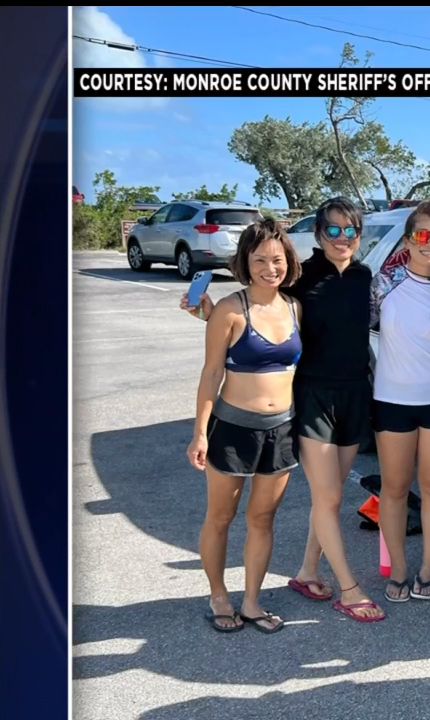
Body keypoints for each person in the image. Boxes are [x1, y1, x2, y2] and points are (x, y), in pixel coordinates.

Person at [183, 197, 385, 622]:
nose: (342, 238)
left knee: (275, 513)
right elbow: (242, 327)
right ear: (317, 234)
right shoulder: (300, 282)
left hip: (325, 406)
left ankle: (293, 579)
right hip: (285, 407)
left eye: (350, 230)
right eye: (333, 229)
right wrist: (209, 314)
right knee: (236, 513)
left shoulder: (360, 278)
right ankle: (341, 590)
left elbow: (272, 323)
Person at [187, 219, 303, 634]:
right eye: (260, 260)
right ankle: (219, 595)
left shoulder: (294, 306)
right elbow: (211, 372)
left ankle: (252, 602)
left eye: (277, 260)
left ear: (289, 261)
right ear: (245, 263)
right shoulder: (230, 309)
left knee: (263, 519)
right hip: (233, 427)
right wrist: (200, 432)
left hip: (282, 429)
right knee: (221, 516)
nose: (270, 268)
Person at [369, 201, 430, 604]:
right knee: (393, 488)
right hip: (392, 398)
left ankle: (427, 567)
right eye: (422, 235)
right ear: (408, 239)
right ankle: (400, 568)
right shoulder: (383, 284)